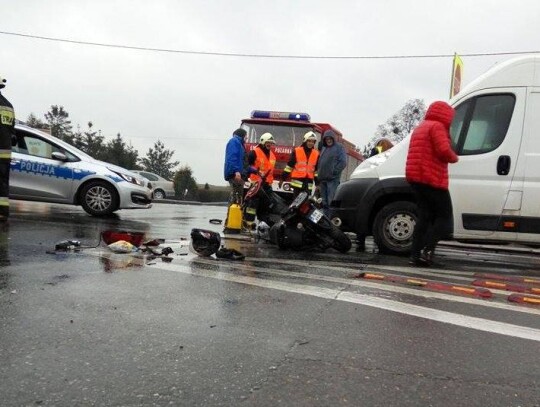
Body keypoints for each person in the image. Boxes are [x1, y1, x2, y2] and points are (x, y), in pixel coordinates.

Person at [405, 101, 459, 267]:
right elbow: (443, 150)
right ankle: (426, 250)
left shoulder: (422, 126)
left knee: (425, 216)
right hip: (432, 179)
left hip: (416, 178)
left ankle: (415, 254)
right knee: (445, 217)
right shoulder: (437, 127)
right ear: (446, 115)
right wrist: (454, 157)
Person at [243, 133, 276, 226]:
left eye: (271, 143)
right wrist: (246, 177)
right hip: (256, 184)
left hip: (267, 185)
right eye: (268, 142)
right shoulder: (254, 152)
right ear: (263, 142)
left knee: (267, 205)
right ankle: (248, 223)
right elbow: (246, 165)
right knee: (252, 205)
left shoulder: (273, 156)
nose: (270, 144)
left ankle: (263, 224)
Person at [316, 129, 346, 217]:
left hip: (332, 180)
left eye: (330, 138)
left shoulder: (339, 147)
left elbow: (343, 162)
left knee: (332, 201)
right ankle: (325, 219)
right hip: (323, 179)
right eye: (326, 138)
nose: (328, 140)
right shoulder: (324, 148)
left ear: (333, 138)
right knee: (324, 202)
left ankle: (332, 220)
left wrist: (333, 172)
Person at [281, 131, 319, 197]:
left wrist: (317, 184)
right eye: (309, 141)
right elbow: (289, 166)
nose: (311, 143)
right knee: (296, 203)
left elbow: (316, 170)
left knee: (306, 203)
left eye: (313, 142)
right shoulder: (297, 151)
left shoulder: (316, 154)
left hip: (308, 183)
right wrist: (282, 179)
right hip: (297, 183)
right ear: (305, 141)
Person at [223, 128, 247, 231]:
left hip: (236, 173)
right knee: (235, 198)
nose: (246, 138)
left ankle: (234, 223)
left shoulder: (238, 143)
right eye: (246, 136)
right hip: (235, 174)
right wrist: (237, 171)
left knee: (237, 198)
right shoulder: (235, 142)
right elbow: (232, 158)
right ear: (242, 135)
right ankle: (231, 224)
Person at [0, 76, 15, 222]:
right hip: (5, 151)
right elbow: (12, 130)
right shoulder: (8, 105)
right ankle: (3, 213)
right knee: (3, 183)